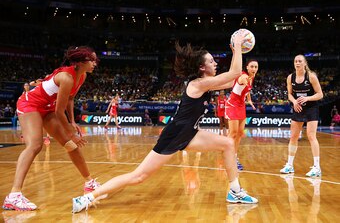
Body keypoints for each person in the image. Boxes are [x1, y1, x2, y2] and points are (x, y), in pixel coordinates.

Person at [71, 30, 258, 213]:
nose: (215, 63)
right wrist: (238, 48)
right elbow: (233, 73)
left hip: (189, 134)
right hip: (174, 136)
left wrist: (239, 58)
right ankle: (87, 197)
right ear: (201, 68)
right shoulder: (198, 84)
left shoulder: (207, 83)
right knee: (138, 176)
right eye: (211, 61)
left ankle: (235, 191)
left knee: (227, 144)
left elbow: (233, 80)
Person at [3, 46, 103, 211]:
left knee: (71, 145)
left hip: (48, 107)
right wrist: (72, 133)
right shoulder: (66, 77)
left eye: (95, 60)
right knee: (35, 145)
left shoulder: (82, 76)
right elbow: (59, 110)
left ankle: (89, 182)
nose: (95, 63)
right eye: (91, 60)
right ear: (79, 62)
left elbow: (70, 100)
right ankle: (13, 196)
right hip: (31, 104)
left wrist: (72, 121)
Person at [280, 54, 323, 177]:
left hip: (311, 108)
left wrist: (307, 98)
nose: (297, 63)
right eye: (295, 61)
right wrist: (294, 102)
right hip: (298, 108)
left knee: (311, 136)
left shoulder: (311, 76)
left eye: (300, 61)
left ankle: (317, 167)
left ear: (305, 63)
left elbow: (320, 94)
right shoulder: (290, 77)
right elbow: (289, 94)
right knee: (293, 137)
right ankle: (289, 165)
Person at [225, 60, 258, 171]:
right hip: (232, 104)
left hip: (241, 105)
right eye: (252, 67)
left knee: (239, 133)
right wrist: (244, 80)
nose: (254, 69)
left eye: (256, 67)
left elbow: (247, 91)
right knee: (233, 133)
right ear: (247, 68)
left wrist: (250, 101)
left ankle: (234, 157)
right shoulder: (244, 76)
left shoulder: (251, 78)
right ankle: (228, 158)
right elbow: (244, 82)